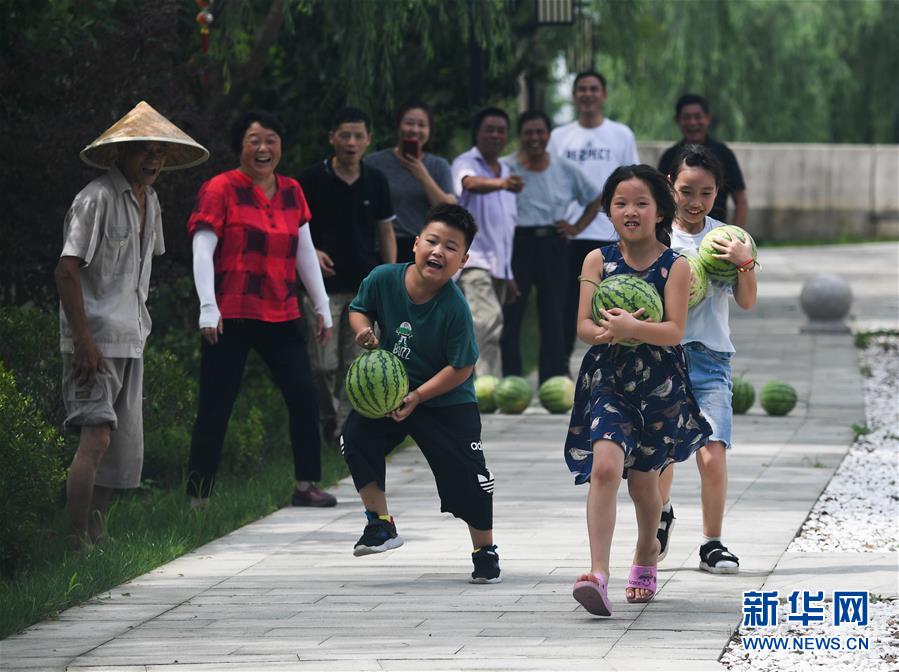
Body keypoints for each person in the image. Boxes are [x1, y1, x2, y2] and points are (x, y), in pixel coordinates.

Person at [55, 101, 208, 550]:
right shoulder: (95, 198)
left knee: (118, 448)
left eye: (160, 151)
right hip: (95, 338)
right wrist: (83, 340)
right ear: (121, 152)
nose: (154, 159)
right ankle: (75, 541)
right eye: (144, 150)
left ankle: (96, 537)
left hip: (131, 335)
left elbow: (140, 268)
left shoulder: (150, 200)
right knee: (97, 436)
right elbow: (66, 270)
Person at [564, 164, 711, 616]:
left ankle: (647, 550)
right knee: (605, 467)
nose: (631, 211)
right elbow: (583, 325)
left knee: (645, 482)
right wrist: (606, 332)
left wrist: (633, 328)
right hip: (609, 378)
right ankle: (598, 574)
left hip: (659, 382)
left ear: (660, 211)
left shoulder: (675, 266)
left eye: (641, 203)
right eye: (621, 203)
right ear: (609, 211)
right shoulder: (597, 261)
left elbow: (674, 330)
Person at [341, 203, 501, 584]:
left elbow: (462, 367)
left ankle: (484, 550)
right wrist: (363, 330)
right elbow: (359, 309)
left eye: (451, 247)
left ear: (462, 261)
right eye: (432, 241)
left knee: (472, 476)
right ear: (415, 244)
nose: (438, 251)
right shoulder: (383, 278)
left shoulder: (455, 307)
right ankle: (379, 523)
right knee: (355, 436)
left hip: (446, 399)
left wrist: (418, 397)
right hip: (392, 393)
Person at [186, 110, 337, 509]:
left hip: (282, 312)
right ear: (240, 147)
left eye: (271, 140)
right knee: (216, 405)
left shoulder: (292, 191)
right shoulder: (220, 189)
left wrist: (322, 306)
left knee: (303, 396)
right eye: (254, 140)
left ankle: (306, 484)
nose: (263, 148)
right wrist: (207, 307)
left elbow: (305, 252)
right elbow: (202, 251)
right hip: (230, 313)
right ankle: (198, 500)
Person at [656, 145, 757, 575]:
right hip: (661, 355)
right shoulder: (656, 237)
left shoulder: (729, 238)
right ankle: (661, 514)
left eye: (706, 193)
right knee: (660, 454)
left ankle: (712, 543)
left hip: (710, 359)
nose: (696, 202)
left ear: (719, 192)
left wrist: (744, 264)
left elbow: (747, 302)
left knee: (712, 453)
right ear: (669, 187)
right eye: (686, 191)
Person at [299, 107, 397, 442]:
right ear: (332, 138)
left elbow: (386, 232)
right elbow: (295, 229)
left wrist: (389, 277)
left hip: (364, 290)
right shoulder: (311, 180)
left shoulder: (376, 181)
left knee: (357, 364)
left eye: (358, 136)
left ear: (368, 140)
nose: (351, 142)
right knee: (322, 365)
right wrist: (311, 252)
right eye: (345, 135)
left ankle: (343, 432)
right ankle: (329, 418)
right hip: (321, 289)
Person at [500, 111, 603, 383]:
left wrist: (576, 227)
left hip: (553, 243)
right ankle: (511, 378)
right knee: (512, 311)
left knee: (554, 312)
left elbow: (595, 198)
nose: (534, 138)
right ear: (520, 136)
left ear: (548, 135)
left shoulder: (563, 167)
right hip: (517, 243)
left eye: (540, 132)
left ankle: (553, 379)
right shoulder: (505, 167)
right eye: (528, 132)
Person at [547, 71, 640, 366]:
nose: (588, 94)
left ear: (604, 95)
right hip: (569, 235)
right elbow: (549, 177)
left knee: (614, 302)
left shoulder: (621, 134)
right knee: (565, 304)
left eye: (594, 89)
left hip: (609, 234)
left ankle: (615, 365)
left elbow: (633, 180)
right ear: (575, 95)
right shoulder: (558, 137)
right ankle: (559, 367)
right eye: (582, 89)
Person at [451, 107, 521, 377]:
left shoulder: (505, 170)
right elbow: (469, 183)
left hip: (498, 266)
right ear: (477, 133)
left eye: (501, 130)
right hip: (473, 261)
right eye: (489, 129)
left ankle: (475, 385)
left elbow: (504, 229)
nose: (495, 135)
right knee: (488, 322)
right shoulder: (465, 162)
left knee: (486, 328)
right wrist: (501, 184)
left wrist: (509, 273)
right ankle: (485, 387)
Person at [365, 100, 455, 263]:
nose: (414, 130)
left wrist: (422, 175)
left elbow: (449, 211)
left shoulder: (438, 165)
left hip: (424, 249)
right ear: (398, 126)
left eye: (422, 125)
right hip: (380, 247)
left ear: (429, 130)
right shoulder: (374, 163)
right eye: (409, 123)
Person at [657, 94, 748, 227]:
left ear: (708, 118)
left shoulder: (723, 154)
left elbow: (740, 200)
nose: (692, 122)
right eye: (687, 117)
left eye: (697, 116)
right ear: (677, 120)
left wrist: (736, 233)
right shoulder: (669, 156)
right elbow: (659, 197)